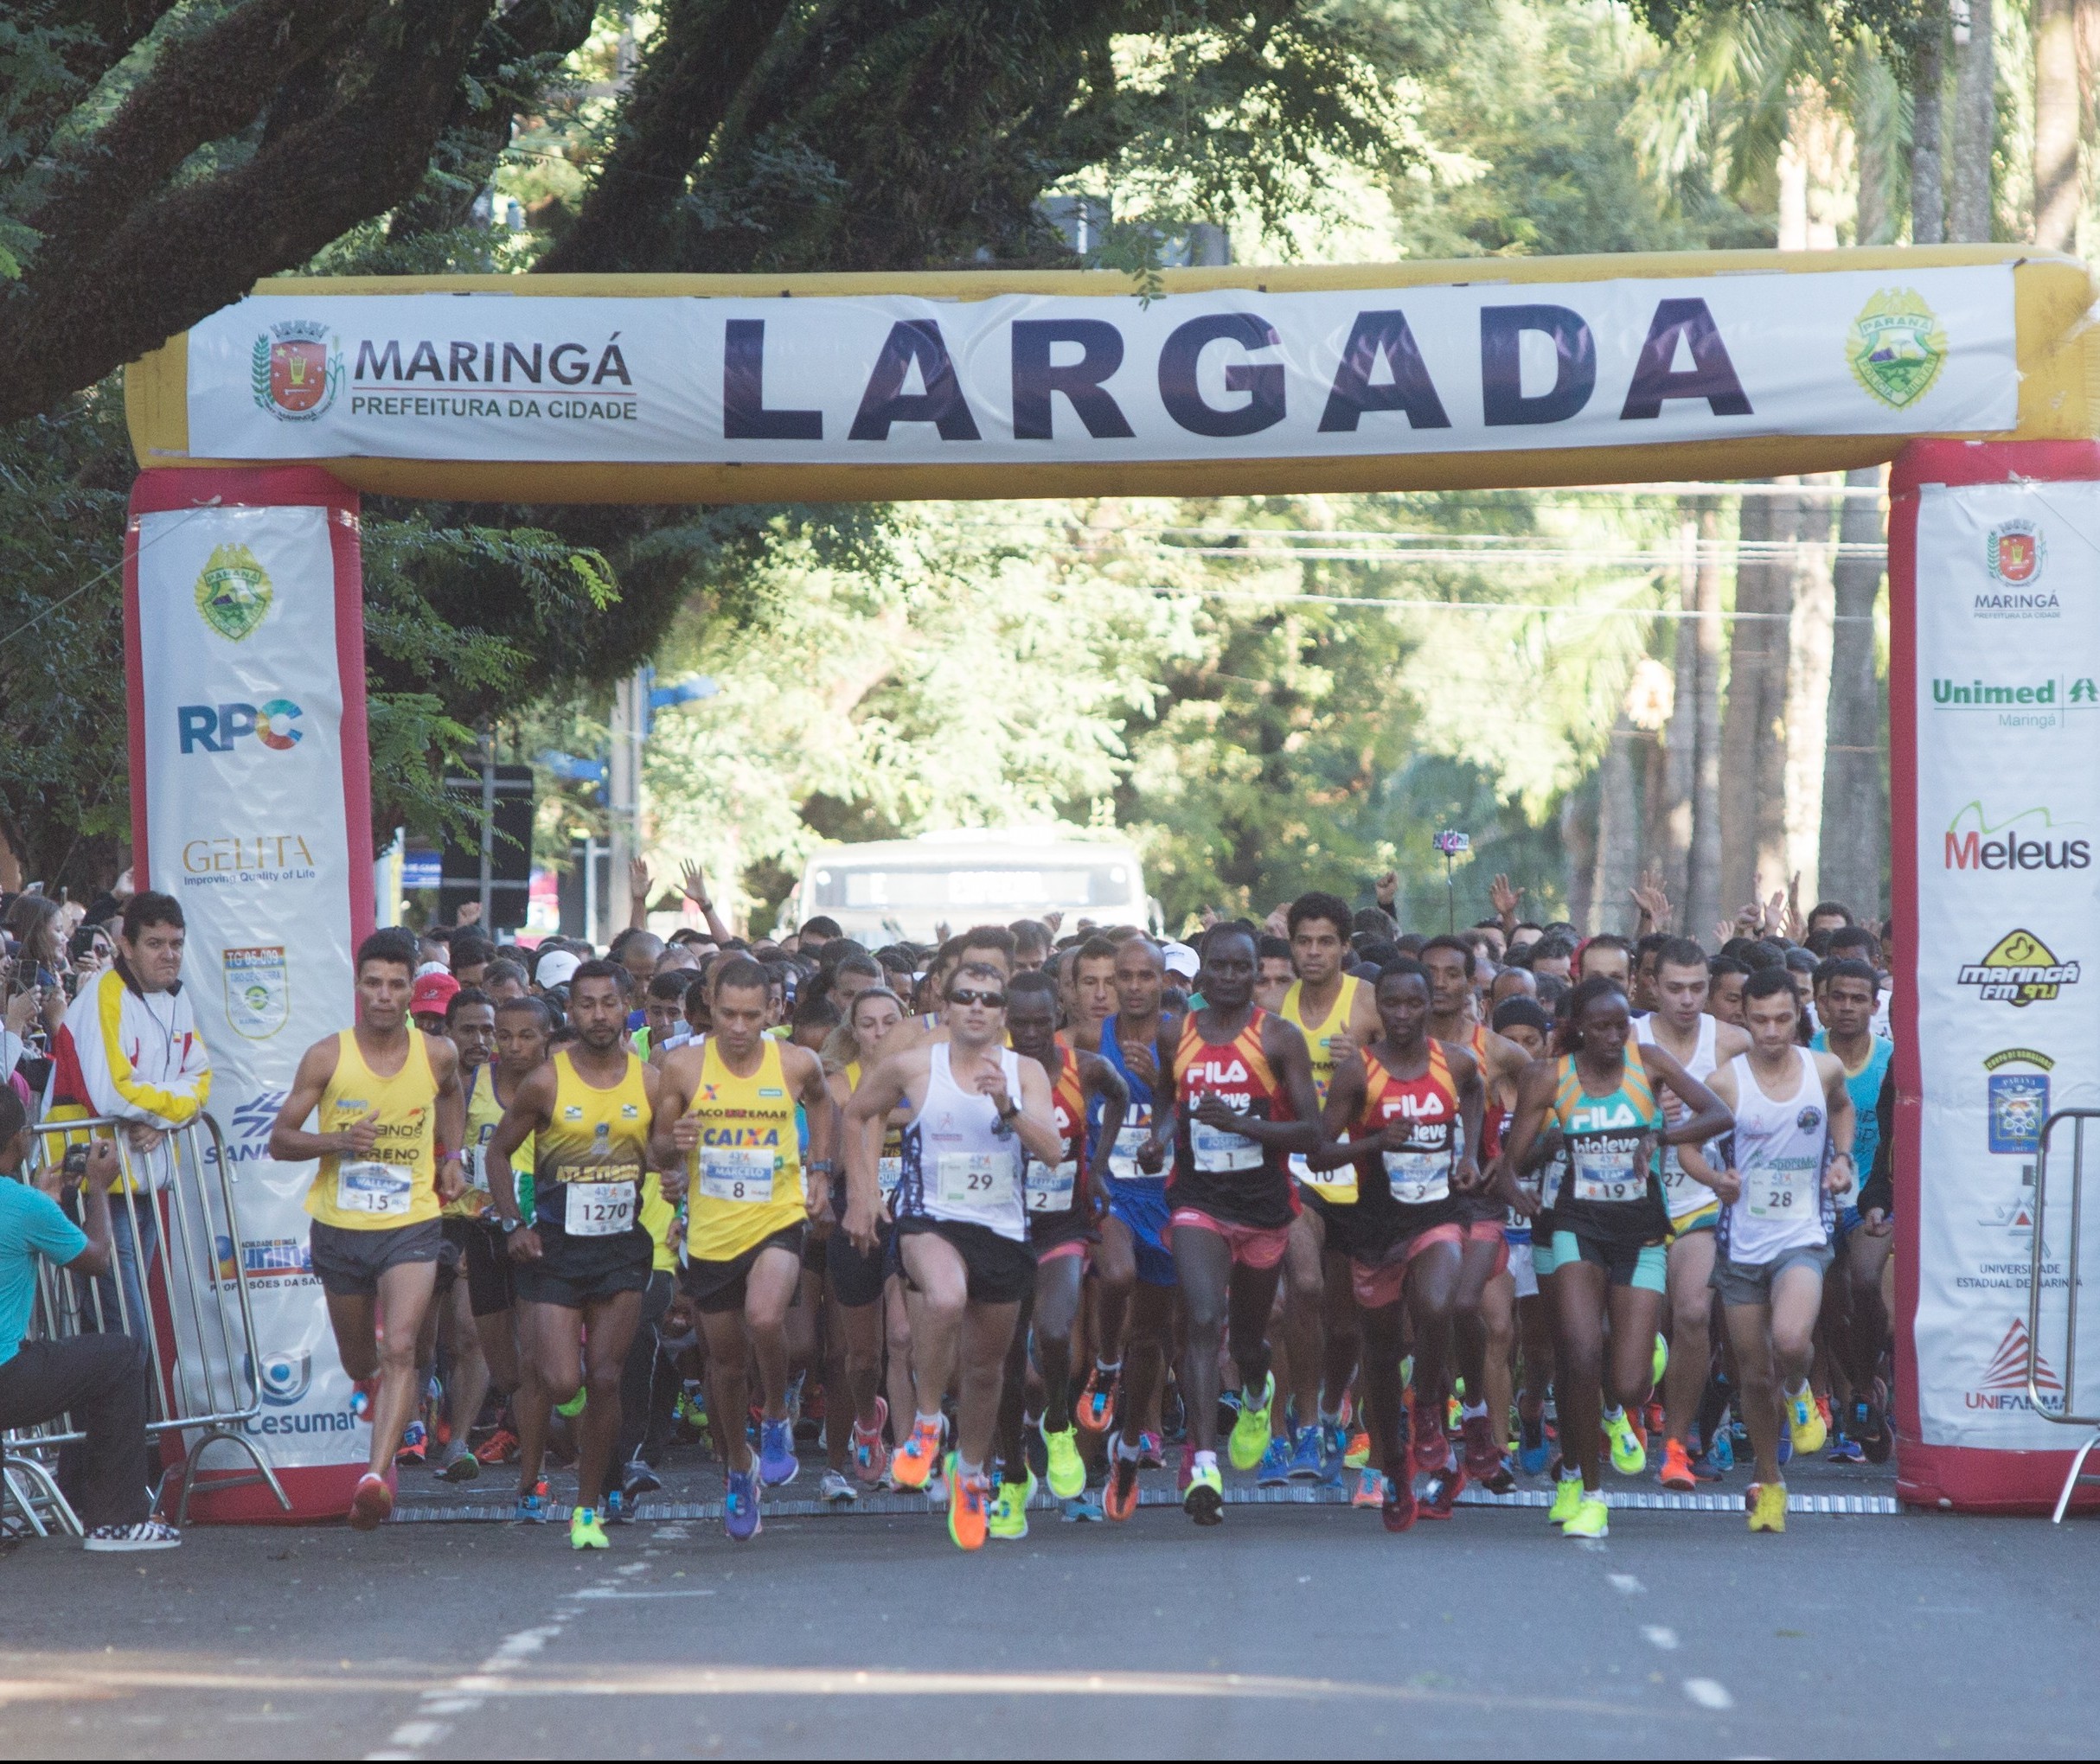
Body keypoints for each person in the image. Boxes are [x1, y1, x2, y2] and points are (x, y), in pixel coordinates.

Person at [842, 962, 1064, 1551]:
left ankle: (969, 1477)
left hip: (1001, 1228)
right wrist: (862, 1193)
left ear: (1002, 1015)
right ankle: (928, 1422)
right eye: (965, 997)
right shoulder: (915, 1065)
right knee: (944, 1296)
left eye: (989, 1001)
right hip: (929, 1220)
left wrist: (1009, 1107)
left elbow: (1053, 1152)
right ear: (946, 1002)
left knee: (988, 1370)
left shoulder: (1025, 1071)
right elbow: (856, 1111)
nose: (975, 1008)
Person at [1501, 974, 1730, 1540]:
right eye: (1599, 1027)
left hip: (1640, 1232)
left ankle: (1641, 1352)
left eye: (1620, 1024)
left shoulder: (1647, 1062)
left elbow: (1718, 1114)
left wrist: (1664, 1137)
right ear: (1577, 1028)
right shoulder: (1549, 1077)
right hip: (1576, 1226)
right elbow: (1510, 1160)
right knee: (1577, 1354)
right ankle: (1587, 1488)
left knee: (1626, 1385)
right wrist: (1522, 1183)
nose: (1612, 1037)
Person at [268, 928, 467, 1531]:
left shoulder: (437, 1054)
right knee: (363, 1358)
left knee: (401, 1346)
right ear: (357, 987)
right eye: (373, 984)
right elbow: (280, 1139)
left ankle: (375, 1478)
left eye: (396, 985)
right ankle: (370, 1389)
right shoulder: (328, 1056)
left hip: (411, 1220)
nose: (384, 995)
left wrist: (452, 1156)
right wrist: (337, 1141)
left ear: (412, 990)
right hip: (340, 1225)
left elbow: (453, 1097)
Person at [1140, 923, 1322, 1526]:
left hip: (1264, 1206)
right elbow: (1168, 1099)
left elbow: (1312, 1133)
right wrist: (1158, 1138)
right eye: (1217, 966)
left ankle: (1254, 1390)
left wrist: (1245, 1126)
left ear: (1256, 973)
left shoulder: (1280, 1038)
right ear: (1202, 972)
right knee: (1200, 1319)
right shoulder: (1175, 1034)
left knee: (1247, 1339)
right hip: (1197, 1199)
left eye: (1240, 968)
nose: (1227, 977)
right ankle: (1203, 1462)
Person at [650, 956, 831, 1540]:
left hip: (776, 1215)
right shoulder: (681, 1066)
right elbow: (659, 1149)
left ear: (773, 1011)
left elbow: (824, 1103)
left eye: (752, 1015)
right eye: (728, 1013)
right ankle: (737, 1467)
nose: (739, 1027)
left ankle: (776, 1413)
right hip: (711, 1228)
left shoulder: (795, 1062)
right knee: (722, 1362)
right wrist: (672, 1149)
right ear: (709, 1004)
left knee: (765, 1314)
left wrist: (821, 1171)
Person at [483, 959, 656, 1550]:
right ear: (571, 1011)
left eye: (609, 1002)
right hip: (555, 1251)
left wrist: (677, 1178)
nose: (599, 1015)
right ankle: (578, 1474)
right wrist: (513, 1223)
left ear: (626, 1005)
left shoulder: (651, 1081)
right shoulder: (546, 1082)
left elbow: (665, 1155)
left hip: (621, 1253)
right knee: (561, 1381)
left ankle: (588, 1508)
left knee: (605, 1377)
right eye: (586, 1004)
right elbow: (498, 1154)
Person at [1309, 959, 1483, 1531]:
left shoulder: (1454, 1063)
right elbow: (1319, 1153)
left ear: (1430, 1004)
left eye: (1415, 1004)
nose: (1404, 1015)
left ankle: (1430, 1409)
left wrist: (1469, 1155)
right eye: (1393, 1005)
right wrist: (1379, 1140)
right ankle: (1394, 1470)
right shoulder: (1359, 1072)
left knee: (1437, 1305)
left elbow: (1476, 1096)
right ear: (1378, 1008)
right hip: (1376, 1225)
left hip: (1437, 1213)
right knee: (1381, 1357)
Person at [1684, 966, 1855, 1533]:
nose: (1772, 1030)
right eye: (1759, 1019)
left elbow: (1841, 1108)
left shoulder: (1822, 1067)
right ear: (1744, 1019)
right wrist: (1716, 1181)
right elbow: (1688, 1149)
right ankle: (1769, 1480)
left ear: (1797, 1017)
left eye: (1783, 1018)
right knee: (1754, 1375)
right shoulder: (1726, 1081)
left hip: (1802, 1233)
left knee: (1789, 1340)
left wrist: (1841, 1158)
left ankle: (1802, 1389)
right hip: (1742, 1244)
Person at [0, 1094, 177, 1549]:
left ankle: (79, 1494)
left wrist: (44, 1205)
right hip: (6, 1380)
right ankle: (115, 1520)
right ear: (20, 1140)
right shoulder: (23, 1205)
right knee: (120, 1356)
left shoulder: (29, 1205)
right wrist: (99, 1188)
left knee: (81, 1361)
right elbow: (98, 1260)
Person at [43, 892, 213, 1345]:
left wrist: (162, 1118)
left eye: (176, 943)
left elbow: (201, 1081)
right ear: (127, 946)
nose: (170, 954)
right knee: (126, 1328)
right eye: (156, 943)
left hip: (140, 1179)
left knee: (123, 1329)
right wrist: (173, 1111)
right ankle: (121, 1417)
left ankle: (119, 1416)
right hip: (89, 1180)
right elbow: (112, 1092)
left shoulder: (179, 998)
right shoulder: (105, 992)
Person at [991, 969, 1126, 1535]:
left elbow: (1118, 1098)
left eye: (1040, 1021)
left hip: (1063, 1225)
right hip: (998, 1227)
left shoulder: (1084, 1068)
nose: (1028, 1032)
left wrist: (1097, 1167)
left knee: (1053, 1332)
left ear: (1058, 1016)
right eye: (1017, 1022)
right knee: (1002, 1364)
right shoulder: (986, 1074)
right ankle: (1013, 1478)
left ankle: (1057, 1425)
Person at [1271, 892, 1380, 1488]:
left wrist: (1363, 1059)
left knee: (1347, 1324)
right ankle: (1306, 1422)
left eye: (1325, 942)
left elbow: (1406, 1065)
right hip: (1298, 1172)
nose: (1314, 953)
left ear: (1344, 947)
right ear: (1292, 947)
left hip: (1358, 1171)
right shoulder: (1274, 1006)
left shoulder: (1366, 1004)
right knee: (1304, 1286)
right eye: (1304, 942)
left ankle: (1335, 1401)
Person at [1071, 936, 1181, 1519]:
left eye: (1145, 976)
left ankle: (1131, 1446)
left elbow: (1206, 1100)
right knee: (1115, 1276)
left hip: (1164, 1195)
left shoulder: (1180, 1035)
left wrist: (1166, 1078)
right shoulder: (1093, 1037)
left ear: (1163, 980)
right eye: (1124, 977)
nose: (1134, 986)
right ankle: (1105, 1367)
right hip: (1111, 1188)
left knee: (1153, 1338)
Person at [1634, 938, 1749, 1490]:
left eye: (1698, 988)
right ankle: (1627, 1409)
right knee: (1632, 1340)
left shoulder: (1732, 1042)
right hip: (1631, 1207)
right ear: (1650, 986)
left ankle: (1677, 1446)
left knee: (1694, 1315)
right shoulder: (1625, 1039)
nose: (1686, 1000)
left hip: (1701, 1203)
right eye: (1674, 988)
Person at [818, 986, 913, 1501]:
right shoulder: (837, 1083)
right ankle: (865, 1417)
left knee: (902, 1337)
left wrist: (878, 1113)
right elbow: (835, 1152)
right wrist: (887, 1114)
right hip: (854, 1218)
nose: (879, 1032)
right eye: (868, 1023)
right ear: (852, 1031)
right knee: (862, 1358)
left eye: (889, 1021)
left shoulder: (921, 1077)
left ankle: (907, 1456)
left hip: (910, 1217)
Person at [1811, 956, 1895, 1461]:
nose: (1847, 1007)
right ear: (1821, 1003)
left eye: (1858, 998)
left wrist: (1885, 1195)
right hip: (1813, 1199)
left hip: (1872, 1199)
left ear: (1874, 1004)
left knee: (1863, 1283)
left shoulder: (1891, 1058)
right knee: (1824, 1307)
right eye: (1837, 997)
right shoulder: (1804, 1055)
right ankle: (1863, 1397)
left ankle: (1869, 1383)